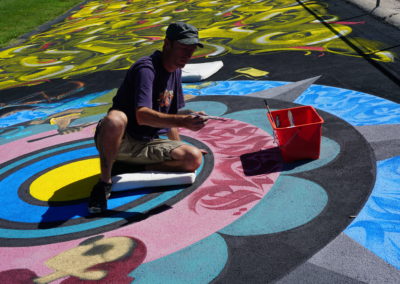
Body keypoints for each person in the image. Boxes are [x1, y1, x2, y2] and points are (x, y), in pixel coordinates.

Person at [88, 22, 208, 214]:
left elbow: (172, 115)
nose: (188, 55)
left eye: (191, 50)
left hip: (146, 144)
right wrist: (183, 121)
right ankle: (104, 183)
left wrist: (180, 147)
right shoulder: (146, 68)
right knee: (114, 119)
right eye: (183, 48)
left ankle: (126, 168)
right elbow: (142, 116)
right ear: (167, 44)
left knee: (193, 158)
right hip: (120, 141)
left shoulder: (175, 69)